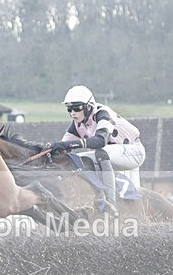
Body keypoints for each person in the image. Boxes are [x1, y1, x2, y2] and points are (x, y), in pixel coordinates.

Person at [47, 85, 145, 215]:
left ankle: (111, 204)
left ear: (89, 106)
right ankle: (99, 198)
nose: (73, 113)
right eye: (69, 109)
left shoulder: (103, 114)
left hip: (134, 151)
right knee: (81, 159)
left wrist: (67, 145)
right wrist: (51, 149)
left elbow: (100, 141)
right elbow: (64, 146)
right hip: (113, 153)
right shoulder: (77, 124)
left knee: (100, 153)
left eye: (77, 108)